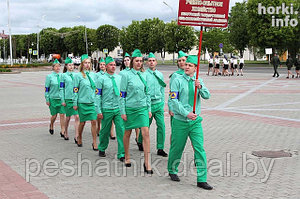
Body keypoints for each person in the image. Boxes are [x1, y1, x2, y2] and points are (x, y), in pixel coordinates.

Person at [168, 55, 213, 190]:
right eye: (186, 64)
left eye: (189, 65)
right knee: (177, 148)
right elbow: (173, 101)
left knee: (199, 149)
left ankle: (202, 179)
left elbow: (207, 96)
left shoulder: (198, 80)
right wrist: (185, 113)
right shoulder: (177, 80)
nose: (186, 67)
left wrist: (200, 87)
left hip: (195, 122)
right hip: (180, 120)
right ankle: (172, 169)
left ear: (195, 68)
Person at [120, 49, 153, 174]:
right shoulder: (125, 75)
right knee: (127, 133)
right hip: (130, 108)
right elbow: (122, 95)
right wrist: (122, 111)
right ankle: (127, 156)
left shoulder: (145, 75)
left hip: (143, 108)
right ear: (132, 61)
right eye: (137, 61)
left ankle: (147, 162)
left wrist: (149, 109)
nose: (139, 63)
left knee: (145, 133)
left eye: (141, 61)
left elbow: (148, 93)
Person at [137, 53, 168, 157]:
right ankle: (140, 141)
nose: (151, 62)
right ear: (147, 62)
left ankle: (160, 148)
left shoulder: (160, 75)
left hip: (158, 104)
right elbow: (143, 91)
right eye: (149, 60)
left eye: (153, 60)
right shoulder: (144, 74)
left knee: (161, 126)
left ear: (156, 62)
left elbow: (162, 90)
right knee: (145, 126)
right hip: (148, 105)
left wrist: (163, 104)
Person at [96, 56, 125, 161]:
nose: (113, 67)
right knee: (105, 131)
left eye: (114, 65)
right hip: (106, 108)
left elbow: (123, 95)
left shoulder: (119, 78)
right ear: (106, 66)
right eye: (111, 65)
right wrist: (98, 110)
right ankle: (102, 147)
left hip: (118, 109)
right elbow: (97, 96)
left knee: (121, 130)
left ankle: (121, 153)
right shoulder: (101, 79)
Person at [73, 54, 98, 151]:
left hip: (92, 102)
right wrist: (75, 103)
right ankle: (79, 137)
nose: (87, 65)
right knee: (82, 123)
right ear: (82, 65)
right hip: (82, 102)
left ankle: (95, 142)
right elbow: (75, 90)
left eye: (88, 63)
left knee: (93, 121)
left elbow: (96, 89)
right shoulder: (78, 76)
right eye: (85, 63)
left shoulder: (93, 75)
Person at [119, 52, 141, 148]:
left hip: (137, 102)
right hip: (127, 100)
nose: (126, 62)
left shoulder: (138, 72)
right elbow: (122, 89)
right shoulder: (122, 73)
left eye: (128, 60)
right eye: (125, 60)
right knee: (128, 127)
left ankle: (138, 138)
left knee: (138, 125)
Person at [95, 58, 116, 139]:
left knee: (119, 127)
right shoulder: (99, 77)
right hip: (105, 104)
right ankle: (99, 129)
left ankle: (112, 132)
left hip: (116, 106)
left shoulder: (117, 77)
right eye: (101, 64)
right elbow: (97, 92)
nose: (102, 66)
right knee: (103, 125)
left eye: (114, 65)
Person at [45, 59, 66, 137]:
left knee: (62, 115)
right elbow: (47, 88)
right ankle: (51, 124)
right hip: (53, 98)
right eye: (56, 66)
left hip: (61, 98)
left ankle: (63, 130)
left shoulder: (62, 76)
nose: (57, 68)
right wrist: (47, 98)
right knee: (54, 115)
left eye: (59, 66)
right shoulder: (49, 77)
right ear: (53, 67)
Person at [60, 57, 79, 142]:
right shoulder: (63, 76)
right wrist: (62, 100)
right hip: (67, 99)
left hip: (75, 99)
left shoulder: (77, 75)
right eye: (69, 65)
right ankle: (66, 131)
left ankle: (77, 135)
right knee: (67, 118)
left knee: (77, 117)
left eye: (72, 65)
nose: (71, 67)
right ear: (66, 66)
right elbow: (61, 88)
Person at [168, 50, 188, 123]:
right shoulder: (175, 75)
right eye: (179, 61)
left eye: (183, 60)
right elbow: (171, 93)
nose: (181, 62)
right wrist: (171, 107)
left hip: (187, 107)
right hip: (176, 107)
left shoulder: (191, 74)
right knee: (175, 132)